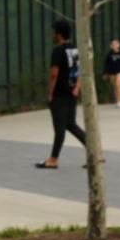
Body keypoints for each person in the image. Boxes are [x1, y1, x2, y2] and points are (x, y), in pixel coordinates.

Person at [35, 21, 87, 169]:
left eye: (53, 32)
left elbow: (54, 75)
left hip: (60, 94)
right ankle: (94, 151)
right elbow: (79, 70)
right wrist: (77, 87)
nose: (52, 35)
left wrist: (50, 94)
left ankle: (53, 159)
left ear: (58, 34)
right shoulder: (75, 50)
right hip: (72, 92)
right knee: (70, 124)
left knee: (60, 127)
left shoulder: (58, 51)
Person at [103, 39, 120, 107]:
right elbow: (106, 64)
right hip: (112, 72)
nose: (114, 46)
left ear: (118, 45)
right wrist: (105, 73)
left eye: (115, 44)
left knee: (118, 84)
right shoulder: (109, 55)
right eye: (112, 44)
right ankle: (117, 100)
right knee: (114, 86)